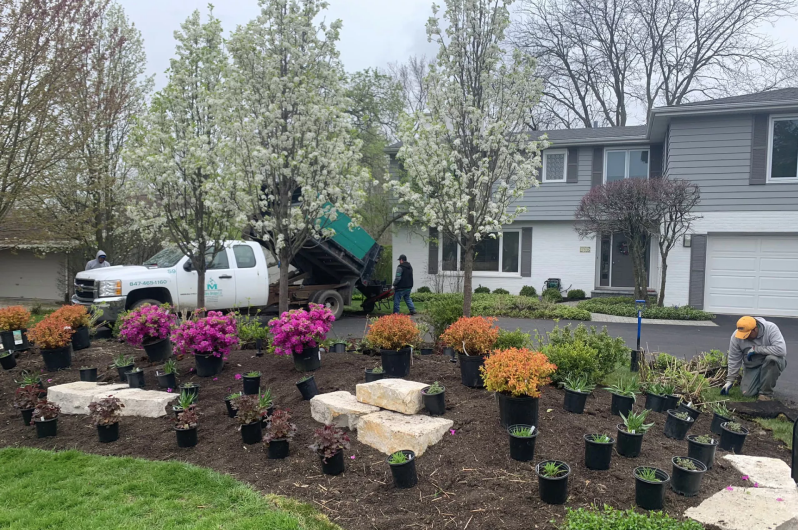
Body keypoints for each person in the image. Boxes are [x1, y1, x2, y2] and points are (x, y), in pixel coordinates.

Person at [722, 316, 787, 401]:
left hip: (771, 363)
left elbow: (781, 350)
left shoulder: (770, 328)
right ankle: (761, 383)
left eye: (747, 334)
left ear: (755, 329)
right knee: (747, 394)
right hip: (753, 366)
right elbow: (734, 358)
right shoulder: (736, 336)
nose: (745, 337)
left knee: (772, 359)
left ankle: (765, 394)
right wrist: (730, 380)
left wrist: (756, 349)